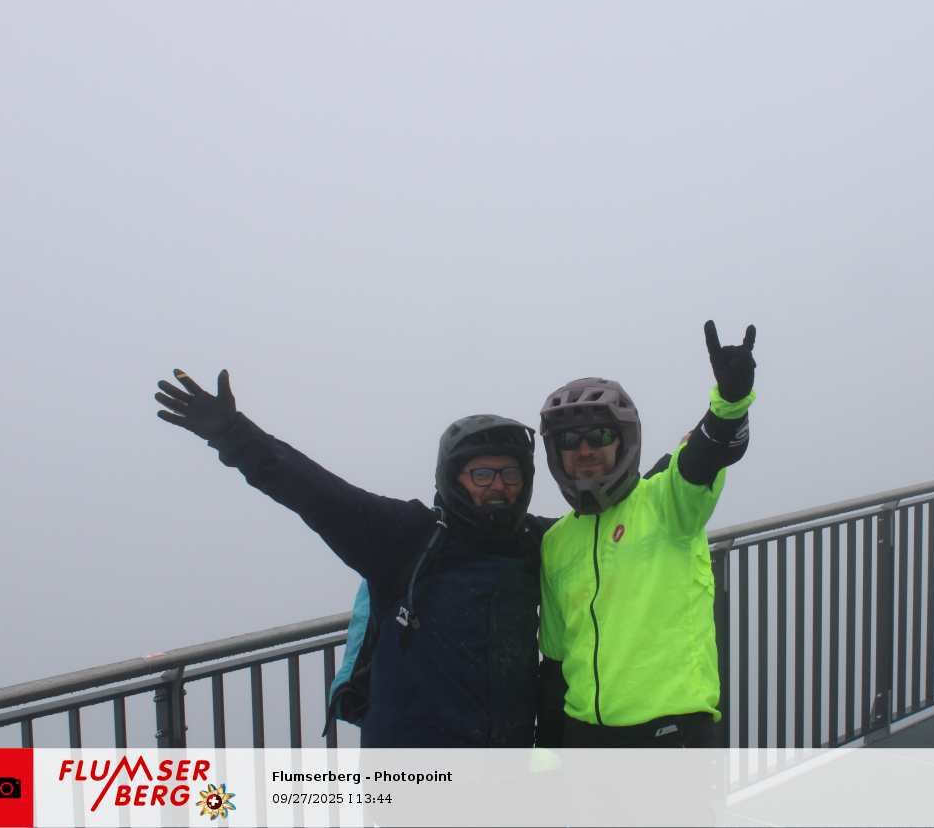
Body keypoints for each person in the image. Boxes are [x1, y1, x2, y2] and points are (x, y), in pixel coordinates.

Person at [154, 369, 554, 747]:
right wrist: (233, 434)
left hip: (508, 771)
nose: (498, 486)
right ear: (452, 479)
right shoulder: (407, 537)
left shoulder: (534, 541)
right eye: (481, 474)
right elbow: (315, 492)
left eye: (511, 474)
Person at [536, 321, 756, 749]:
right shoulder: (556, 541)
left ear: (623, 441)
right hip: (584, 739)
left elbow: (701, 459)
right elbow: (556, 663)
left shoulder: (668, 501)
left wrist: (729, 404)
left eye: (599, 435)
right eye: (569, 439)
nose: (584, 449)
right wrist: (546, 758)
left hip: (669, 736)